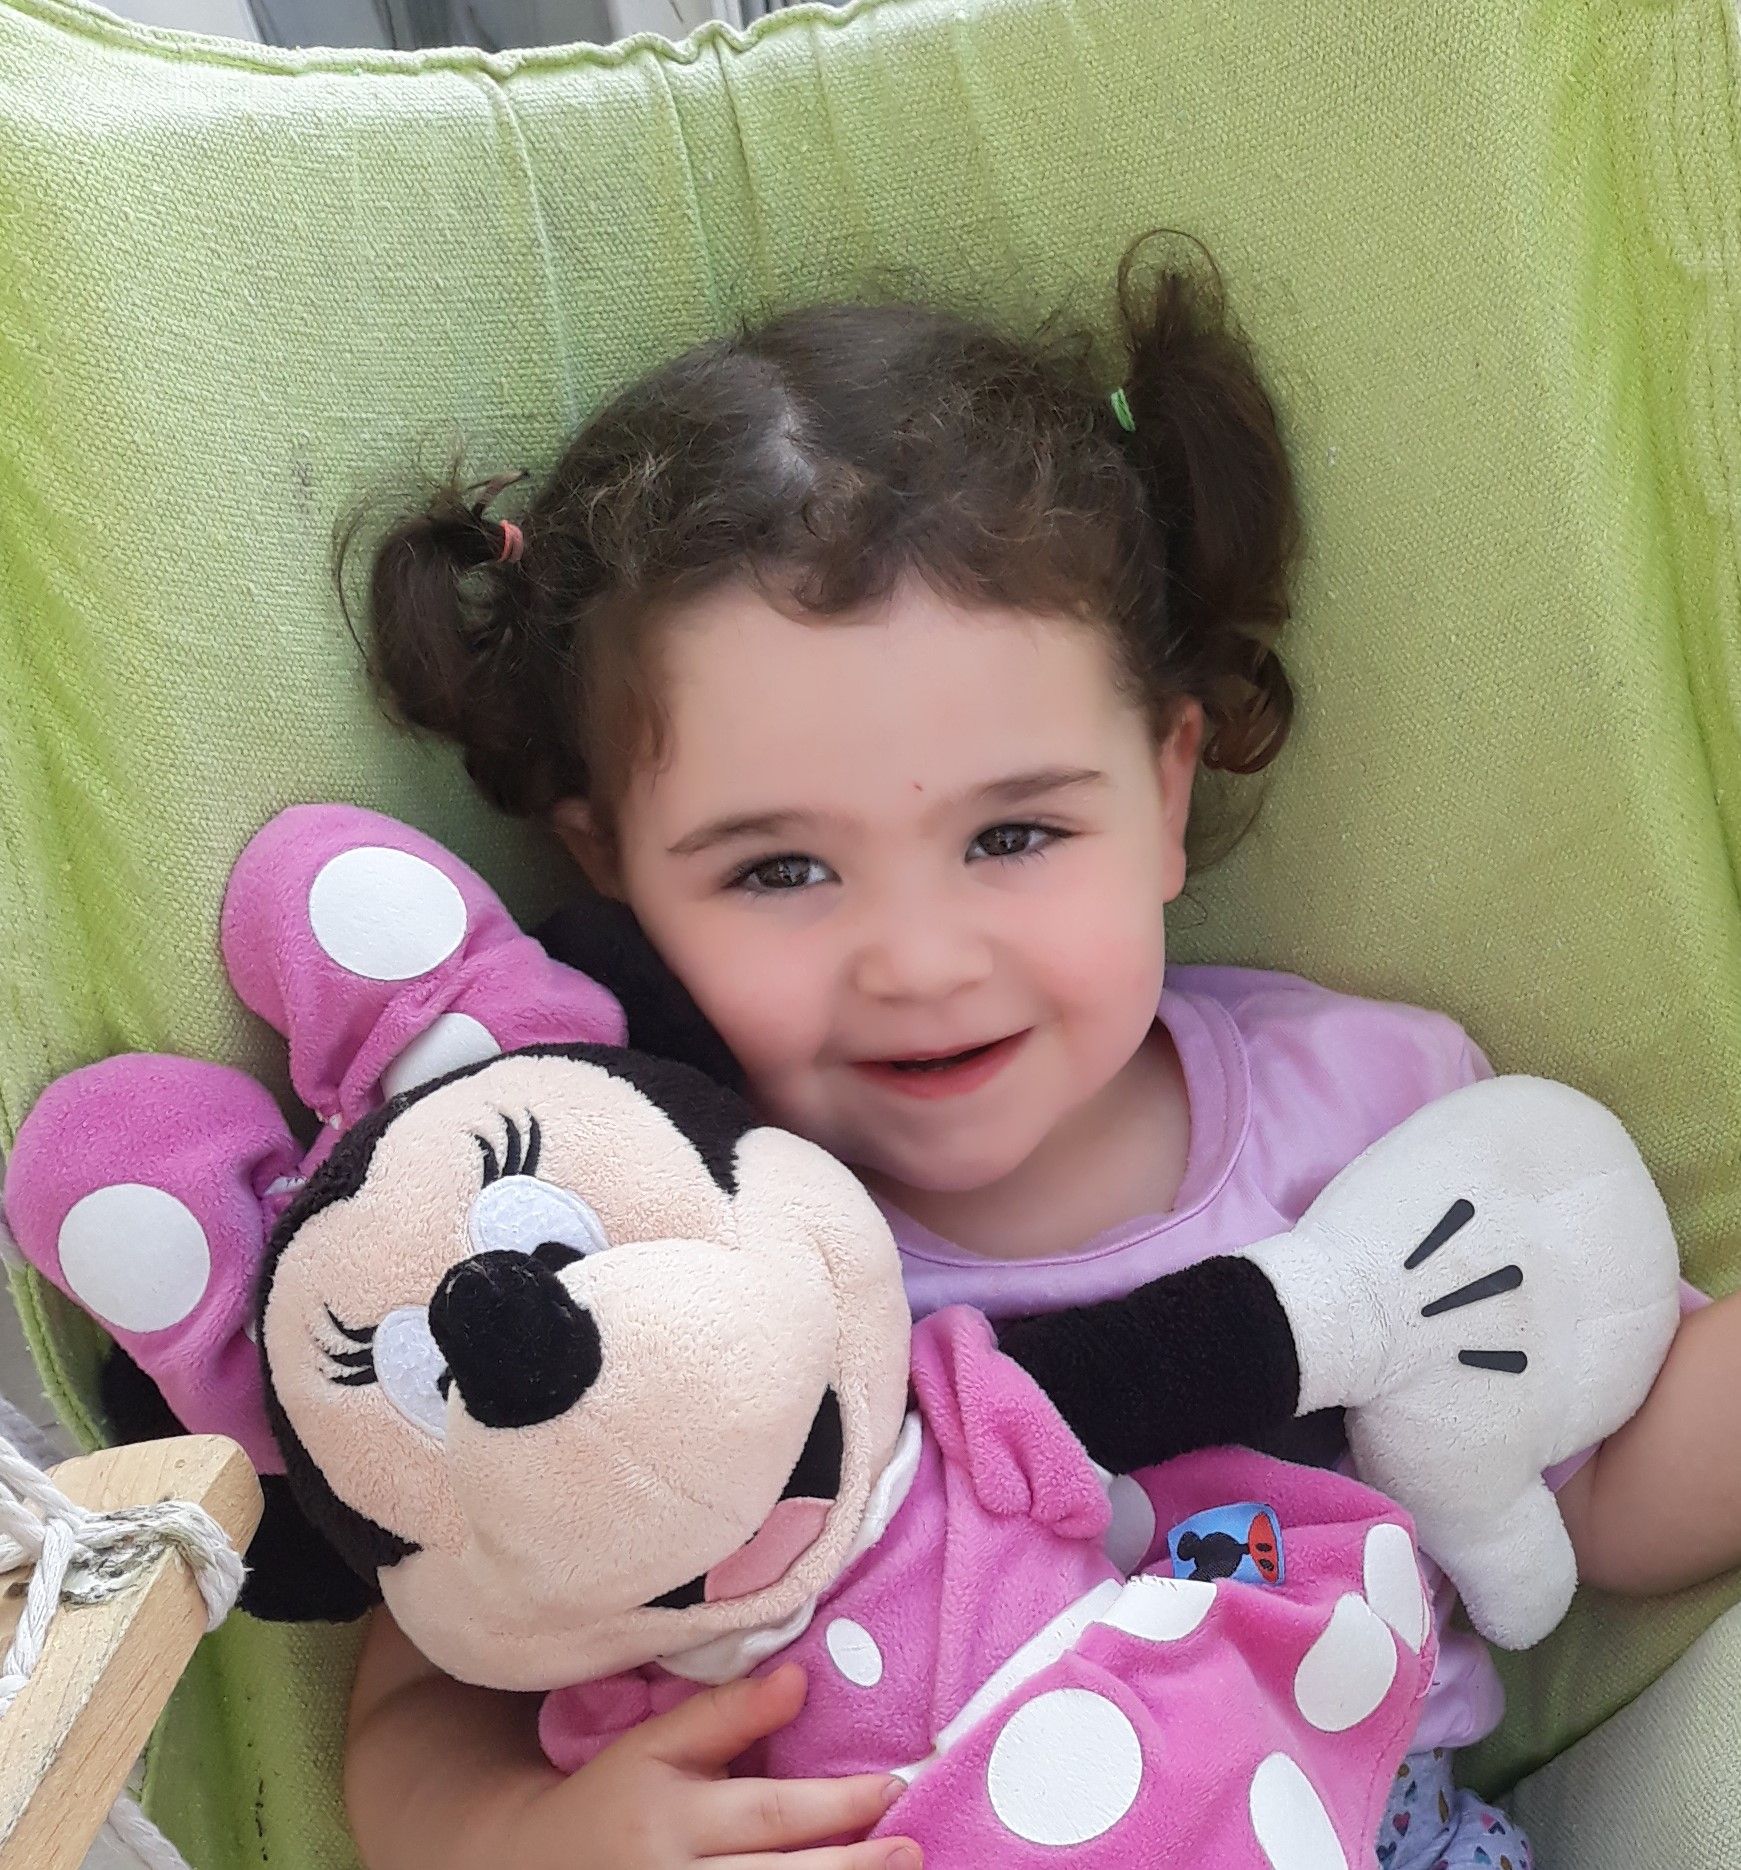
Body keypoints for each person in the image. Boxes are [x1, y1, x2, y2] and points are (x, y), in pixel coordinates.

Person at [340, 237, 1741, 1870]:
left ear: (1165, 789)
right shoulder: (635, 1251)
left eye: (1011, 835)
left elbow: (1594, 1492)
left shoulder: (1368, 1120)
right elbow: (423, 1685)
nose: (920, 960)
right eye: (778, 869)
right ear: (610, 868)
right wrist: (534, 1832)